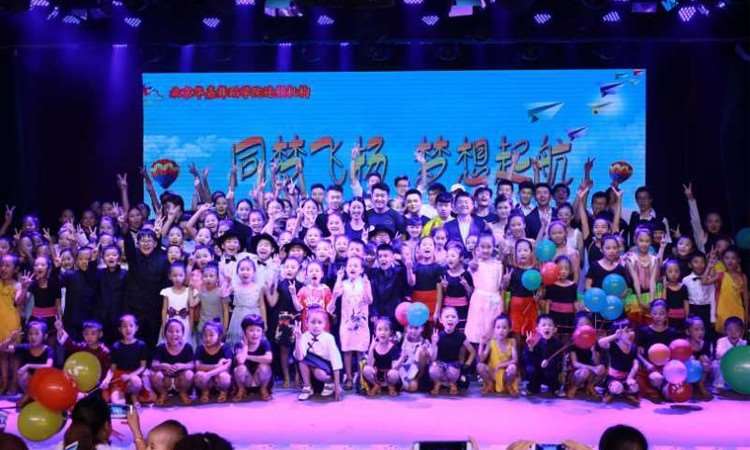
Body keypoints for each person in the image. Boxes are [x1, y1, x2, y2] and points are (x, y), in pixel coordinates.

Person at [124, 229, 170, 349]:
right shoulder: (134, 258)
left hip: (155, 310)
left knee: (152, 343)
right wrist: (125, 230)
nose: (146, 244)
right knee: (135, 343)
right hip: (135, 309)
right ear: (137, 243)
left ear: (155, 244)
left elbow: (166, 285)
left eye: (149, 241)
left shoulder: (163, 260)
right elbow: (128, 247)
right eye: (143, 241)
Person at [333, 256, 373, 390]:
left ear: (361, 269)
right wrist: (338, 278)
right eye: (350, 265)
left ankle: (362, 379)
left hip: (361, 323)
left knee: (361, 351)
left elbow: (369, 300)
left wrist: (366, 286)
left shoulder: (365, 282)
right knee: (347, 350)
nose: (352, 268)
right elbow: (335, 294)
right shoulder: (343, 283)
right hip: (346, 323)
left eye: (356, 266)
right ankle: (349, 378)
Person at [293, 307, 342, 401]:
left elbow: (336, 362)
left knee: (319, 373)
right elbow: (299, 357)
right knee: (302, 360)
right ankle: (307, 387)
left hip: (325, 371)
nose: (316, 326)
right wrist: (298, 339)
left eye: (319, 322)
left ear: (325, 324)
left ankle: (330, 382)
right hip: (309, 372)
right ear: (306, 323)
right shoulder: (304, 336)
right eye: (313, 322)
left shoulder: (329, 338)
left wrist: (337, 385)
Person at [0, 321, 52, 408]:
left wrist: (28, 365)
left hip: (44, 384)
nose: (33, 337)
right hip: (30, 386)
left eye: (36, 334)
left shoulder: (47, 350)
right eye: (30, 334)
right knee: (23, 374)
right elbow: (2, 348)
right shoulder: (26, 347)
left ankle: (30, 397)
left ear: (44, 336)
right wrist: (10, 339)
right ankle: (30, 397)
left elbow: (48, 366)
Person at [636, 300, 679, 403]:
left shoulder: (672, 332)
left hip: (666, 368)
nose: (658, 316)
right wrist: (647, 364)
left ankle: (663, 389)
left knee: (670, 396)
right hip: (649, 369)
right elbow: (637, 352)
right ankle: (653, 390)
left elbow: (675, 353)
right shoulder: (644, 331)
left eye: (661, 313)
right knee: (656, 379)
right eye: (655, 313)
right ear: (650, 314)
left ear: (667, 314)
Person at [105, 314, 152, 407]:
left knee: (136, 382)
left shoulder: (141, 345)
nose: (128, 329)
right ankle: (123, 395)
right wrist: (107, 379)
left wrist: (130, 375)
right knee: (118, 404)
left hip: (134, 376)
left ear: (136, 328)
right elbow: (112, 368)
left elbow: (143, 366)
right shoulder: (116, 346)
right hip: (120, 378)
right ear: (120, 329)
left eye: (131, 325)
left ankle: (134, 396)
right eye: (124, 326)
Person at [465, 233, 503, 345]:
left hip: (494, 300)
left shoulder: (498, 264)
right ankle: (477, 352)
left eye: (489, 247)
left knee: (492, 329)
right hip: (479, 301)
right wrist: (474, 261)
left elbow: (500, 285)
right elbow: (472, 266)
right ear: (477, 248)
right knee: (478, 329)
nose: (485, 250)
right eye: (482, 247)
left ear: (493, 247)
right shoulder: (476, 264)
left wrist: (505, 282)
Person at [429, 306, 475, 396]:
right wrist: (434, 343)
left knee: (454, 371)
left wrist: (467, 364)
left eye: (453, 317)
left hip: (453, 366)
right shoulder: (438, 336)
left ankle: (452, 383)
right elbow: (433, 358)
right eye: (447, 317)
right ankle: (438, 383)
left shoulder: (461, 336)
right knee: (433, 369)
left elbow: (472, 352)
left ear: (457, 320)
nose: (450, 319)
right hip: (440, 365)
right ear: (441, 320)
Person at [150, 319, 195, 406]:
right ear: (165, 334)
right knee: (155, 375)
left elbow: (192, 365)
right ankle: (163, 393)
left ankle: (183, 393)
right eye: (170, 331)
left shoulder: (187, 347)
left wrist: (182, 366)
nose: (174, 334)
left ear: (182, 334)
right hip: (166, 381)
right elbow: (153, 365)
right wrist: (162, 365)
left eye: (177, 331)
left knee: (189, 374)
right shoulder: (161, 347)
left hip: (180, 381)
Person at [226, 258, 267, 345]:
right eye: (242, 269)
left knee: (253, 340)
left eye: (248, 269)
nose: (245, 272)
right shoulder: (234, 287)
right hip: (238, 317)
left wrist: (264, 322)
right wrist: (227, 282)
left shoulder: (258, 287)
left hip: (253, 315)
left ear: (254, 272)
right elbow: (224, 295)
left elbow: (262, 305)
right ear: (237, 272)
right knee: (238, 342)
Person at [598, 320, 640, 406]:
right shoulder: (613, 345)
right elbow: (600, 342)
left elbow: (635, 365)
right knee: (616, 387)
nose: (631, 334)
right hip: (614, 377)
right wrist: (615, 336)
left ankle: (626, 393)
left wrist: (630, 378)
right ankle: (611, 393)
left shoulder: (633, 347)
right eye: (627, 331)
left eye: (631, 330)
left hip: (627, 377)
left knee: (634, 387)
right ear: (619, 334)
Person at [233, 314, 273, 401]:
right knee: (240, 368)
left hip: (260, 379)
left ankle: (263, 389)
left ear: (262, 332)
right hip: (246, 380)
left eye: (258, 330)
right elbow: (241, 360)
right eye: (251, 330)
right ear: (244, 332)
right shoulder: (239, 344)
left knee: (265, 367)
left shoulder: (264, 343)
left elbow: (269, 359)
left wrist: (247, 356)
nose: (255, 334)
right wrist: (245, 346)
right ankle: (241, 389)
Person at [477, 314, 519, 396]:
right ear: (494, 329)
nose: (501, 330)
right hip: (493, 372)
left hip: (505, 372)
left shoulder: (512, 341)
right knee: (479, 366)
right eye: (498, 327)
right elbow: (481, 359)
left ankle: (508, 385)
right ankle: (490, 384)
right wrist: (481, 344)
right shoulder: (491, 342)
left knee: (513, 367)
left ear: (509, 329)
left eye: (504, 328)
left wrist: (500, 365)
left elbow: (515, 360)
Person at [523, 314, 564, 396]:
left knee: (553, 371)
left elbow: (559, 359)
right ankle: (532, 388)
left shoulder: (558, 343)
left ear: (555, 329)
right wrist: (530, 347)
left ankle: (555, 389)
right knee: (530, 369)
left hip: (551, 371)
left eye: (550, 325)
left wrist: (549, 362)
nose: (547, 327)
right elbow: (527, 360)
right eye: (543, 325)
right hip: (537, 371)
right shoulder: (533, 341)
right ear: (538, 329)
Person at [566, 313, 604, 400]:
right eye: (581, 324)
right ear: (576, 327)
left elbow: (597, 362)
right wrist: (592, 368)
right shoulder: (573, 342)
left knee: (602, 368)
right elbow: (575, 363)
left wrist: (593, 351)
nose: (584, 327)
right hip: (576, 372)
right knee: (584, 372)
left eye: (587, 324)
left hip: (591, 372)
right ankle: (574, 387)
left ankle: (590, 386)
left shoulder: (594, 341)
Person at [194, 321, 232, 403]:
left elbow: (226, 366)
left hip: (218, 378)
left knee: (224, 376)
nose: (207, 338)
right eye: (205, 335)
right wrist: (215, 366)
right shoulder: (200, 348)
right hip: (207, 381)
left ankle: (223, 392)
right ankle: (205, 392)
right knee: (198, 375)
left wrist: (209, 374)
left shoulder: (225, 347)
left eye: (211, 335)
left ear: (219, 336)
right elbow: (197, 366)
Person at [363, 317, 401, 396]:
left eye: (386, 330)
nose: (383, 333)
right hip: (378, 376)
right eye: (379, 330)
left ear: (390, 332)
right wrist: (371, 348)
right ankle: (376, 385)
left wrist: (402, 358)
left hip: (389, 376)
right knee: (366, 369)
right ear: (375, 332)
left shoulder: (393, 347)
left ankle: (391, 386)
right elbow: (369, 364)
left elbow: (394, 367)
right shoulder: (374, 346)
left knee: (394, 373)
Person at [439, 242, 474, 330]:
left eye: (453, 256)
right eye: (447, 256)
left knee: (460, 331)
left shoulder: (466, 274)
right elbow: (442, 294)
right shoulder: (444, 274)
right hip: (447, 308)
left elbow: (471, 294)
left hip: (462, 309)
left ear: (461, 258)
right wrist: (444, 287)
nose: (449, 259)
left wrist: (466, 285)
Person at [507, 239, 538, 335]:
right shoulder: (512, 270)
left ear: (531, 252)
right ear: (515, 254)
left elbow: (540, 290)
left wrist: (539, 296)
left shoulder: (536, 271)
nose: (522, 253)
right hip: (516, 305)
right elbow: (506, 289)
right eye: (519, 250)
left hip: (530, 305)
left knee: (531, 331)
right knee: (516, 330)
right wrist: (505, 281)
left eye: (525, 250)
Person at [714, 247, 748, 333]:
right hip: (722, 311)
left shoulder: (742, 276)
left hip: (738, 310)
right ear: (723, 260)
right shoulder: (720, 274)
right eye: (727, 258)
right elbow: (705, 282)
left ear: (738, 260)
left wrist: (747, 314)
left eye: (733, 258)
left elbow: (746, 298)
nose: (730, 261)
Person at [159, 262, 193, 346]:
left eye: (180, 275)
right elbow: (164, 310)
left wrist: (191, 327)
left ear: (185, 276)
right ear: (170, 276)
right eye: (174, 275)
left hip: (185, 323)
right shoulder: (167, 291)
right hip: (169, 322)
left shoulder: (189, 291)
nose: (177, 278)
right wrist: (163, 325)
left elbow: (191, 311)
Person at [544, 255, 579, 335]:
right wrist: (547, 318)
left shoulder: (573, 285)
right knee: (554, 335)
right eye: (560, 268)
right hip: (554, 316)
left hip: (569, 317)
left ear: (570, 271)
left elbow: (575, 302)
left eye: (566, 269)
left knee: (567, 336)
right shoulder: (551, 285)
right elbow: (548, 303)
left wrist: (577, 316)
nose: (563, 271)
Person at [713, 316, 747, 392]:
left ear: (741, 332)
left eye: (737, 330)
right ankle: (719, 385)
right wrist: (732, 354)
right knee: (717, 364)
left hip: (736, 366)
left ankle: (738, 385)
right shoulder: (721, 341)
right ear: (725, 331)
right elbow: (718, 355)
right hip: (724, 364)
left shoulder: (743, 343)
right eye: (730, 330)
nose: (733, 333)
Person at [663, 259, 689, 329]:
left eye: (676, 271)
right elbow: (664, 302)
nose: (673, 274)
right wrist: (664, 287)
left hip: (681, 319)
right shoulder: (664, 288)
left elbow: (686, 304)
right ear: (666, 273)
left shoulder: (683, 287)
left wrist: (687, 318)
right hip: (669, 319)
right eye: (670, 271)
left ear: (680, 272)